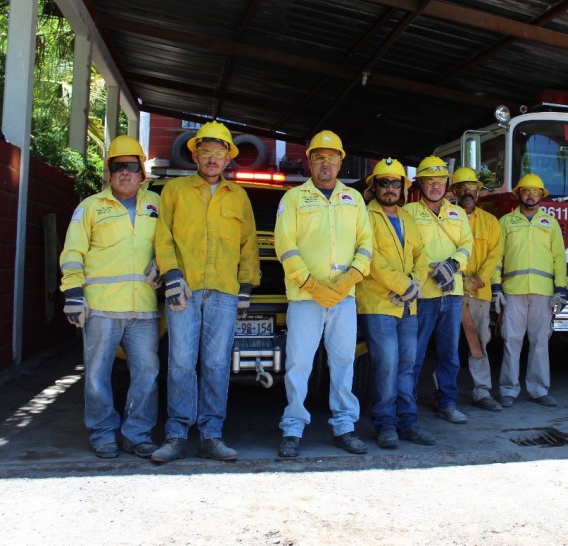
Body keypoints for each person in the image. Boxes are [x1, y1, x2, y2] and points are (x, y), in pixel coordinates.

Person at [151, 121, 259, 462]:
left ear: (229, 158)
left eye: (219, 153)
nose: (212, 159)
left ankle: (212, 435)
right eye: (206, 153)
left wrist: (245, 287)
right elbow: (163, 236)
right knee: (181, 362)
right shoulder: (175, 191)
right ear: (194, 155)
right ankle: (177, 435)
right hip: (184, 289)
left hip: (224, 293)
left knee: (215, 364)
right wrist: (170, 274)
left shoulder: (239, 196)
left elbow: (249, 245)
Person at [59, 136, 161, 459]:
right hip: (101, 308)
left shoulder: (158, 205)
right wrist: (73, 293)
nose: (125, 173)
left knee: (147, 374)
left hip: (143, 308)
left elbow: (173, 242)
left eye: (132, 166)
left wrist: (165, 262)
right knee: (96, 374)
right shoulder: (89, 208)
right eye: (118, 167)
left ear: (142, 172)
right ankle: (103, 433)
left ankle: (137, 434)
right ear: (109, 172)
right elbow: (72, 252)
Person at [275, 130, 373, 457]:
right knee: (298, 364)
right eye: (319, 158)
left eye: (332, 158)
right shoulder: (293, 198)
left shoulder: (354, 199)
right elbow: (285, 246)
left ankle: (345, 426)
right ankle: (292, 428)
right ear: (310, 162)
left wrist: (346, 282)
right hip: (306, 298)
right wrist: (312, 284)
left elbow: (366, 245)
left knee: (344, 362)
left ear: (340, 162)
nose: (326, 164)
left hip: (343, 299)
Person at [356, 158, 436, 448]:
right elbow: (371, 259)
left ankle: (408, 423)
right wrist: (404, 287)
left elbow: (421, 256)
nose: (390, 188)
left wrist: (413, 285)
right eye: (384, 182)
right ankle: (385, 424)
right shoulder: (365, 216)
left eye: (395, 183)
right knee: (387, 365)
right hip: (378, 303)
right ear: (374, 187)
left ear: (404, 188)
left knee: (408, 365)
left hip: (407, 305)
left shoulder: (408, 218)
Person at [404, 156, 473, 424]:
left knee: (449, 354)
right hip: (422, 294)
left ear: (448, 184)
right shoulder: (408, 212)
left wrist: (453, 264)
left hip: (452, 293)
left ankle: (447, 402)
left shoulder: (457, 214)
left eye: (440, 181)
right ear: (419, 183)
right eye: (429, 181)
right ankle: (407, 407)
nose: (435, 186)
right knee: (415, 354)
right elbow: (406, 249)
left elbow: (467, 244)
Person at [494, 174, 567, 408]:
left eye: (535, 191)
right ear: (518, 194)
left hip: (543, 292)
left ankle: (538, 389)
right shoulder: (506, 222)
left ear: (541, 195)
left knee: (540, 341)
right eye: (526, 191)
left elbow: (559, 258)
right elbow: (497, 257)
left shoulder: (550, 223)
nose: (531, 195)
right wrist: (496, 286)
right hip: (513, 291)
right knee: (511, 340)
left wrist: (561, 289)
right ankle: (508, 389)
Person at [451, 167, 503, 412]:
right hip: (449, 291)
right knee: (446, 343)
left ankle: (482, 391)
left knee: (478, 341)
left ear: (479, 192)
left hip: (478, 292)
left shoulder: (490, 222)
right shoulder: (446, 216)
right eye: (461, 187)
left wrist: (479, 279)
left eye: (472, 187)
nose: (467, 191)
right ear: (454, 191)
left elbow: (494, 255)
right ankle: (445, 394)